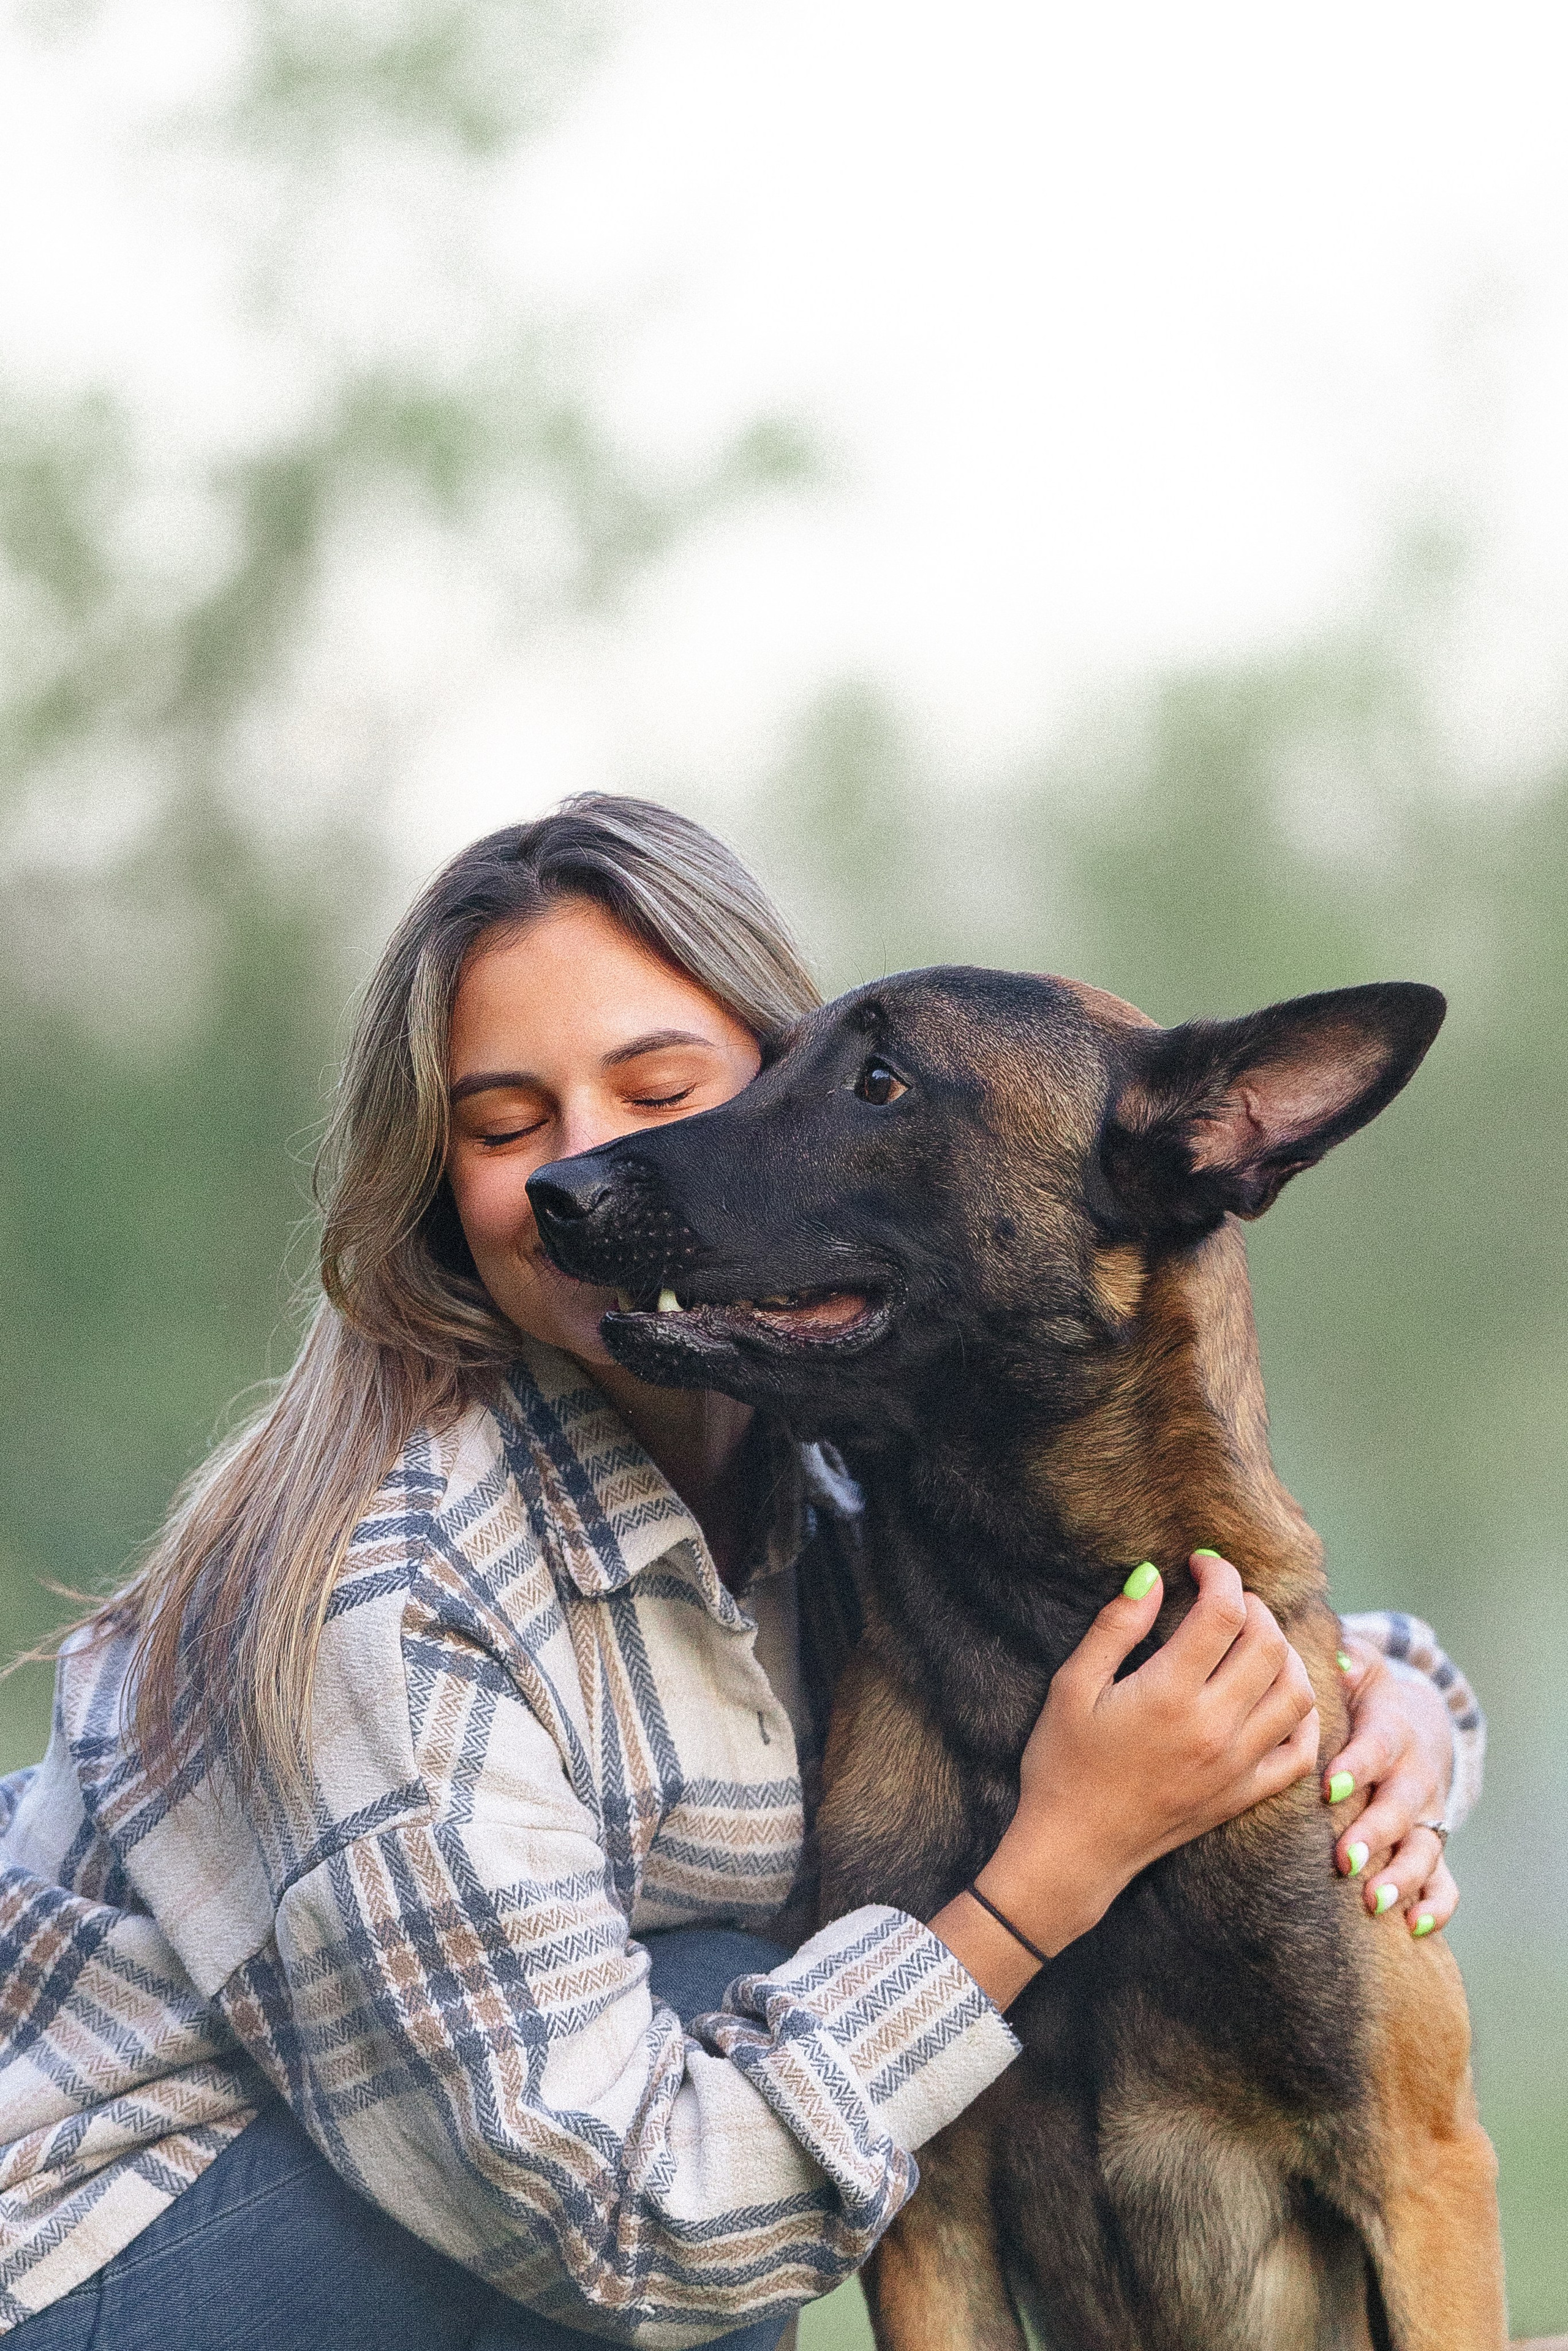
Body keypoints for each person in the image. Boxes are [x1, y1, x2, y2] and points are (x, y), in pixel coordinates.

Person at [0, 799, 1482, 2349]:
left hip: (465, 2206)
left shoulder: (830, 1452)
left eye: (658, 1086)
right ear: (433, 1183)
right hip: (100, 2265)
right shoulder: (391, 1586)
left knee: (754, 2011)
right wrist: (1048, 1868)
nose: (592, 1171)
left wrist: (1397, 1716)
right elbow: (639, 2221)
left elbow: (1078, 1613)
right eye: (506, 1129)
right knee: (734, 2020)